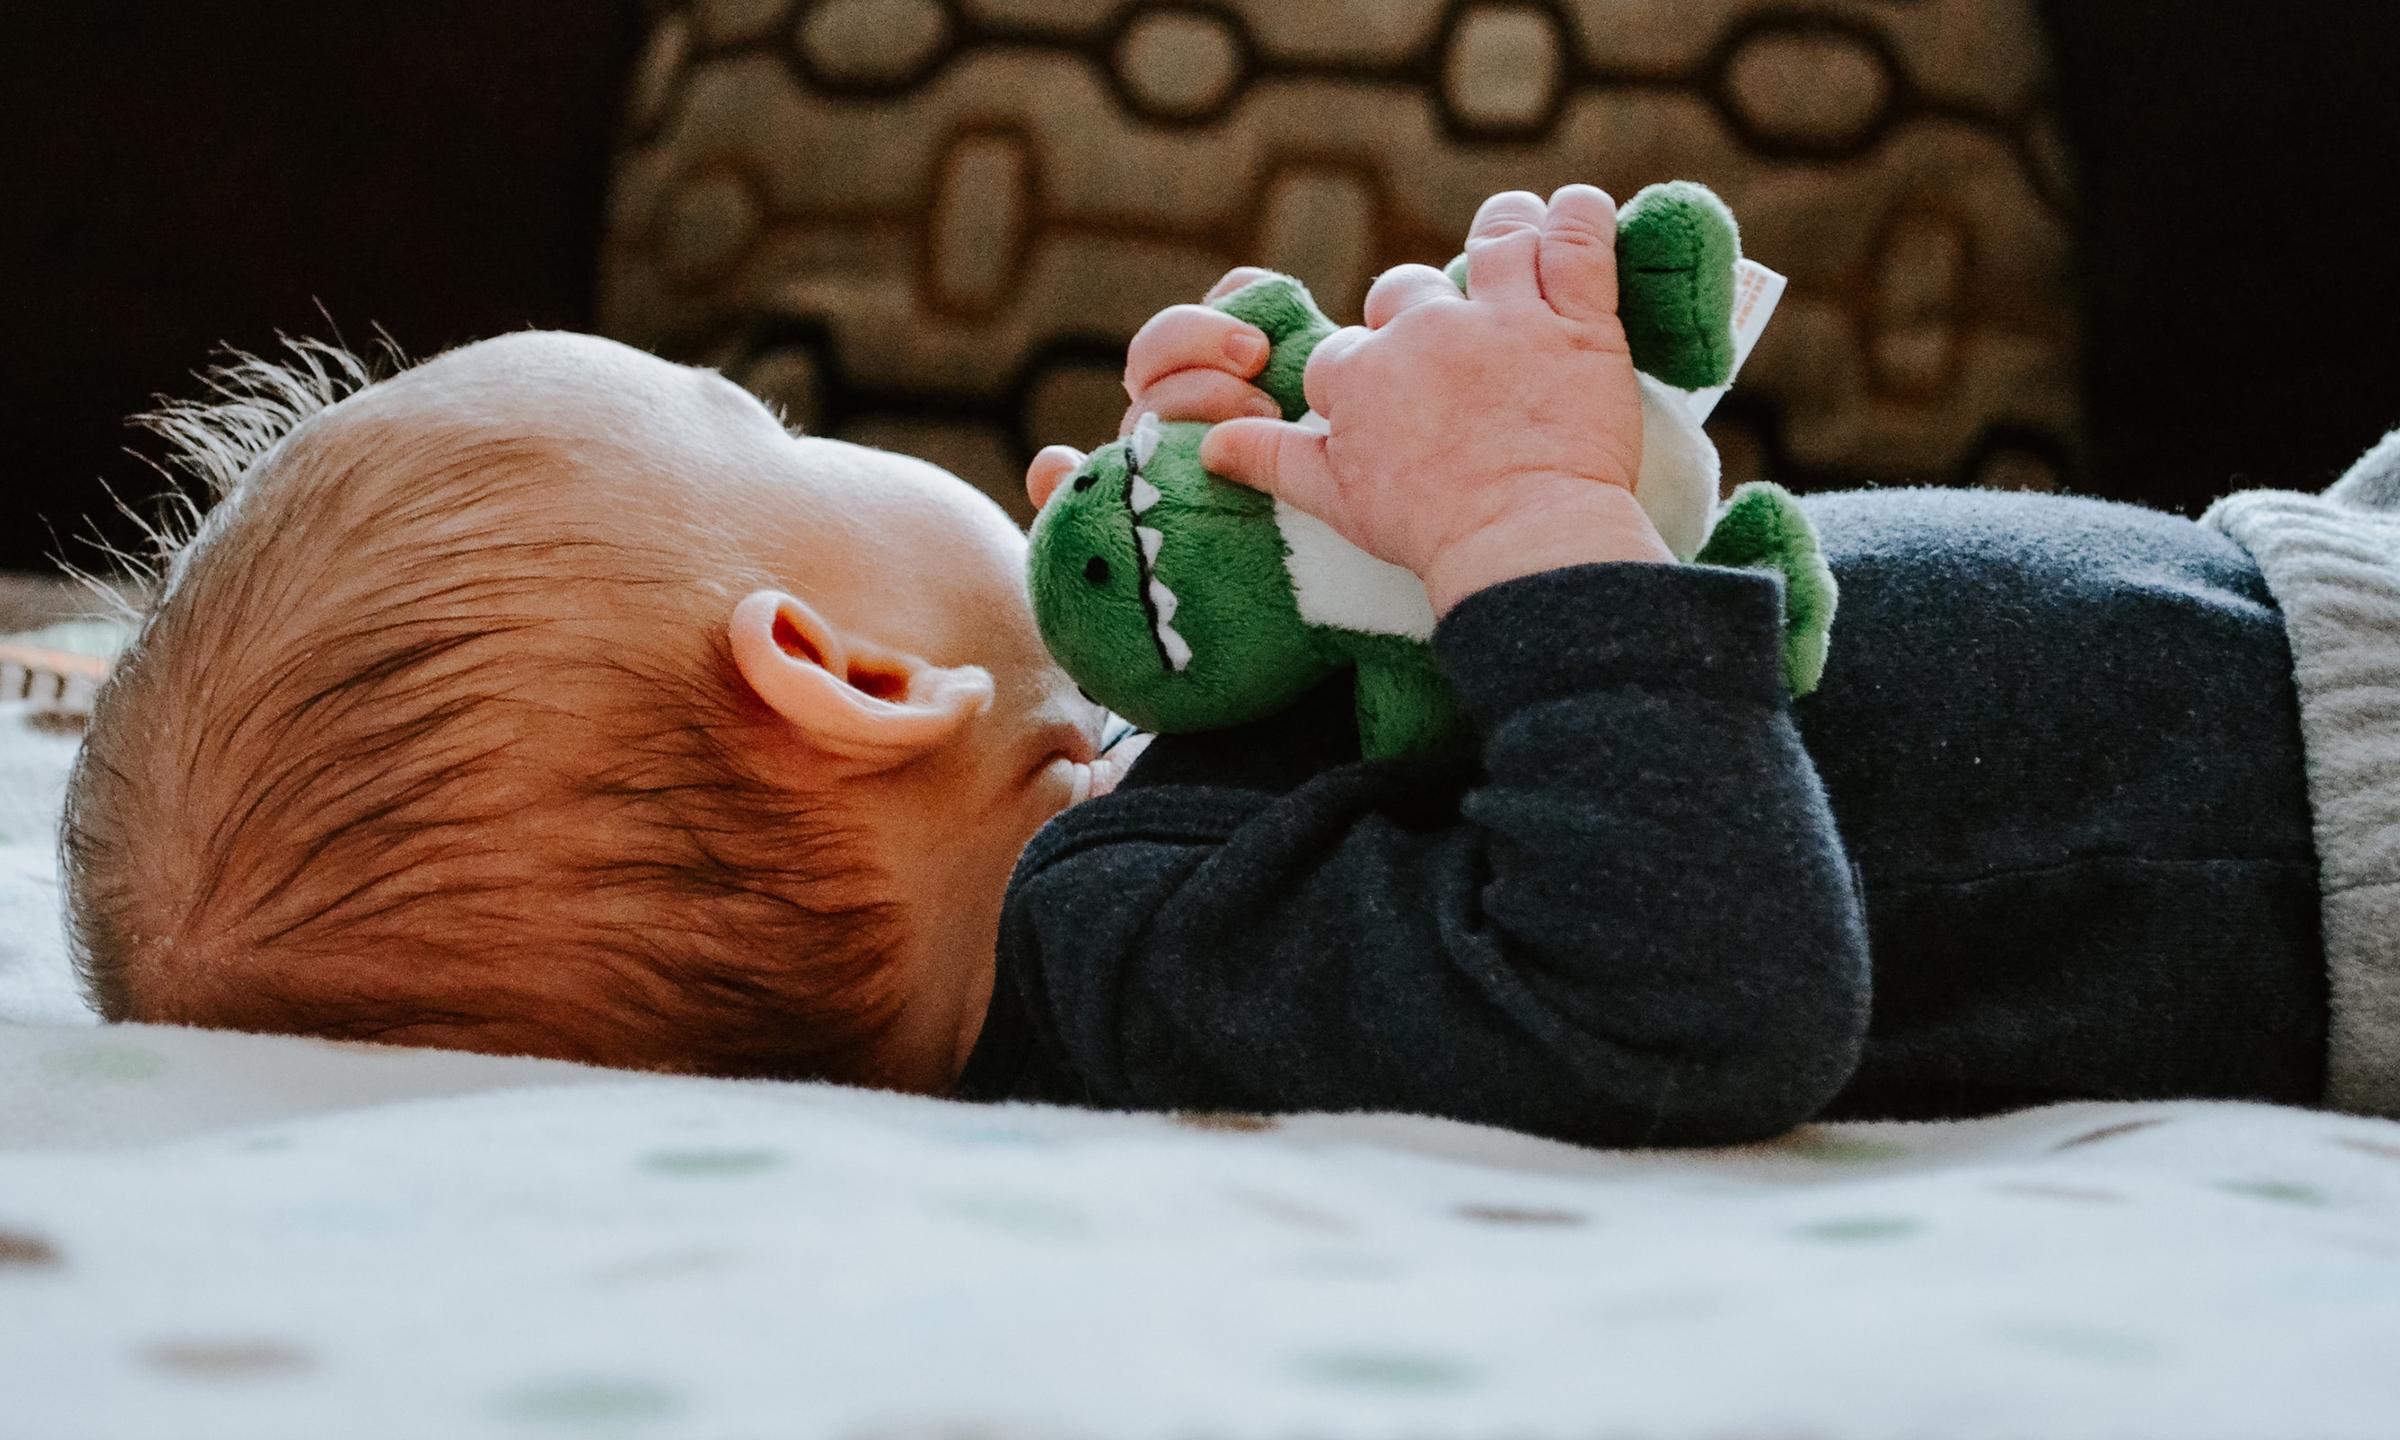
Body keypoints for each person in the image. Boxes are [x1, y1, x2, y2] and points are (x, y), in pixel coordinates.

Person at [63, 187, 2378, 1146]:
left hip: (2294, 607)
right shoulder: (1147, 967)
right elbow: (1697, 981)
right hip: (2336, 802)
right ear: (837, 674)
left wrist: (1315, 487)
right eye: (767, 433)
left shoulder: (1134, 847)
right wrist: (1526, 536)